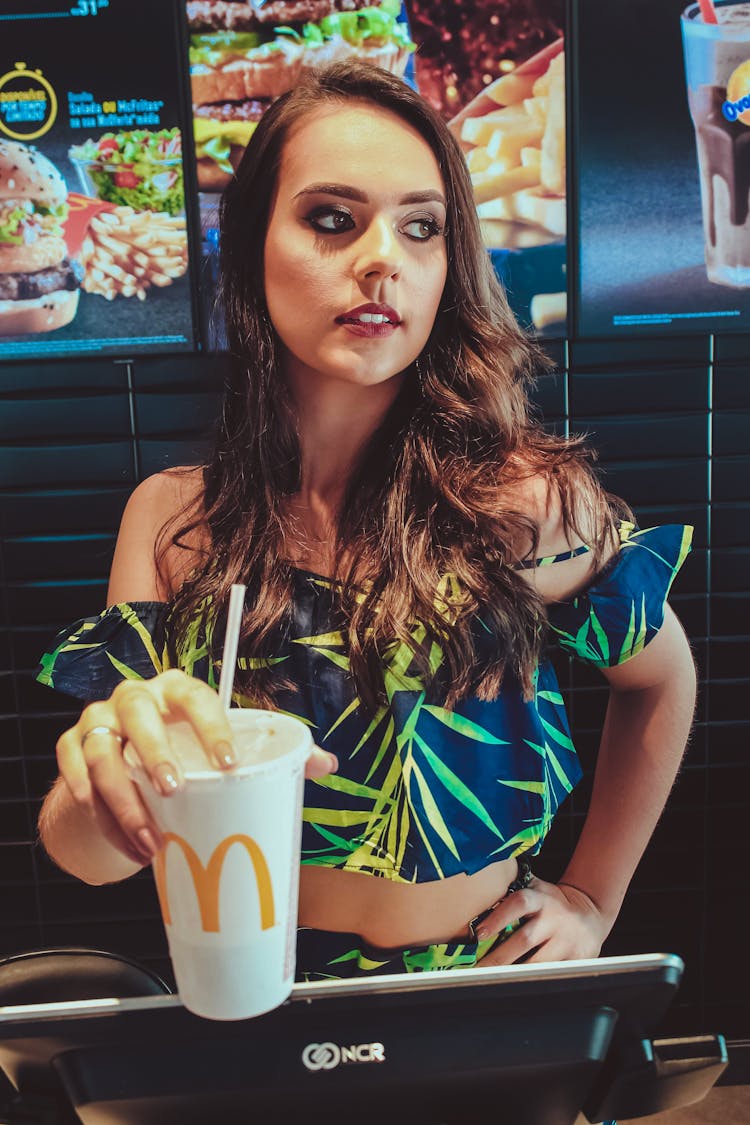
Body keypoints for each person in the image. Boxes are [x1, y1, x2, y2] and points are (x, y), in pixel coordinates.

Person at [37, 61, 696, 981]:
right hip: (253, 992)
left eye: (421, 228)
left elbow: (662, 680)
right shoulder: (173, 523)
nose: (383, 256)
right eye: (332, 219)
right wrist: (108, 768)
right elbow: (88, 854)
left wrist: (592, 900)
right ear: (253, 244)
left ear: (447, 267)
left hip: (488, 991)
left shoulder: (524, 507)